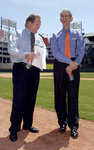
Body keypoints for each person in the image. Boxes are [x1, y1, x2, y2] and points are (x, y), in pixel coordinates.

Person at [8, 14, 47, 142]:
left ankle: (27, 124)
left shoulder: (39, 38)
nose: (39, 27)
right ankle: (14, 128)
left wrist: (42, 56)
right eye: (37, 24)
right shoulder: (17, 34)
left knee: (31, 98)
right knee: (19, 98)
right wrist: (25, 54)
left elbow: (44, 50)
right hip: (21, 68)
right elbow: (11, 49)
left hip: (35, 70)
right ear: (29, 23)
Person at [51, 9, 85, 138]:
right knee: (59, 96)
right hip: (60, 65)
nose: (64, 18)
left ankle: (73, 126)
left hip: (74, 66)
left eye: (67, 16)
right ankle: (62, 123)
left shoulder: (78, 34)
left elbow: (81, 50)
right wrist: (69, 62)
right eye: (62, 16)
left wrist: (74, 64)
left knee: (73, 97)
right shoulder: (55, 35)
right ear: (60, 19)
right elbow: (55, 52)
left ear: (71, 18)